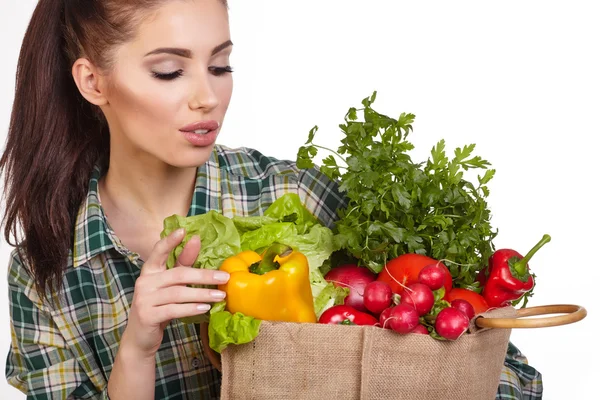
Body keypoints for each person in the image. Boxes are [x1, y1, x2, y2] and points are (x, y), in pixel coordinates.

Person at [0, 1, 542, 399]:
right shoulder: (46, 273)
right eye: (169, 71)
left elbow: (505, 374)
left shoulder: (292, 196)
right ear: (93, 82)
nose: (207, 97)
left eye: (220, 65)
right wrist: (137, 350)